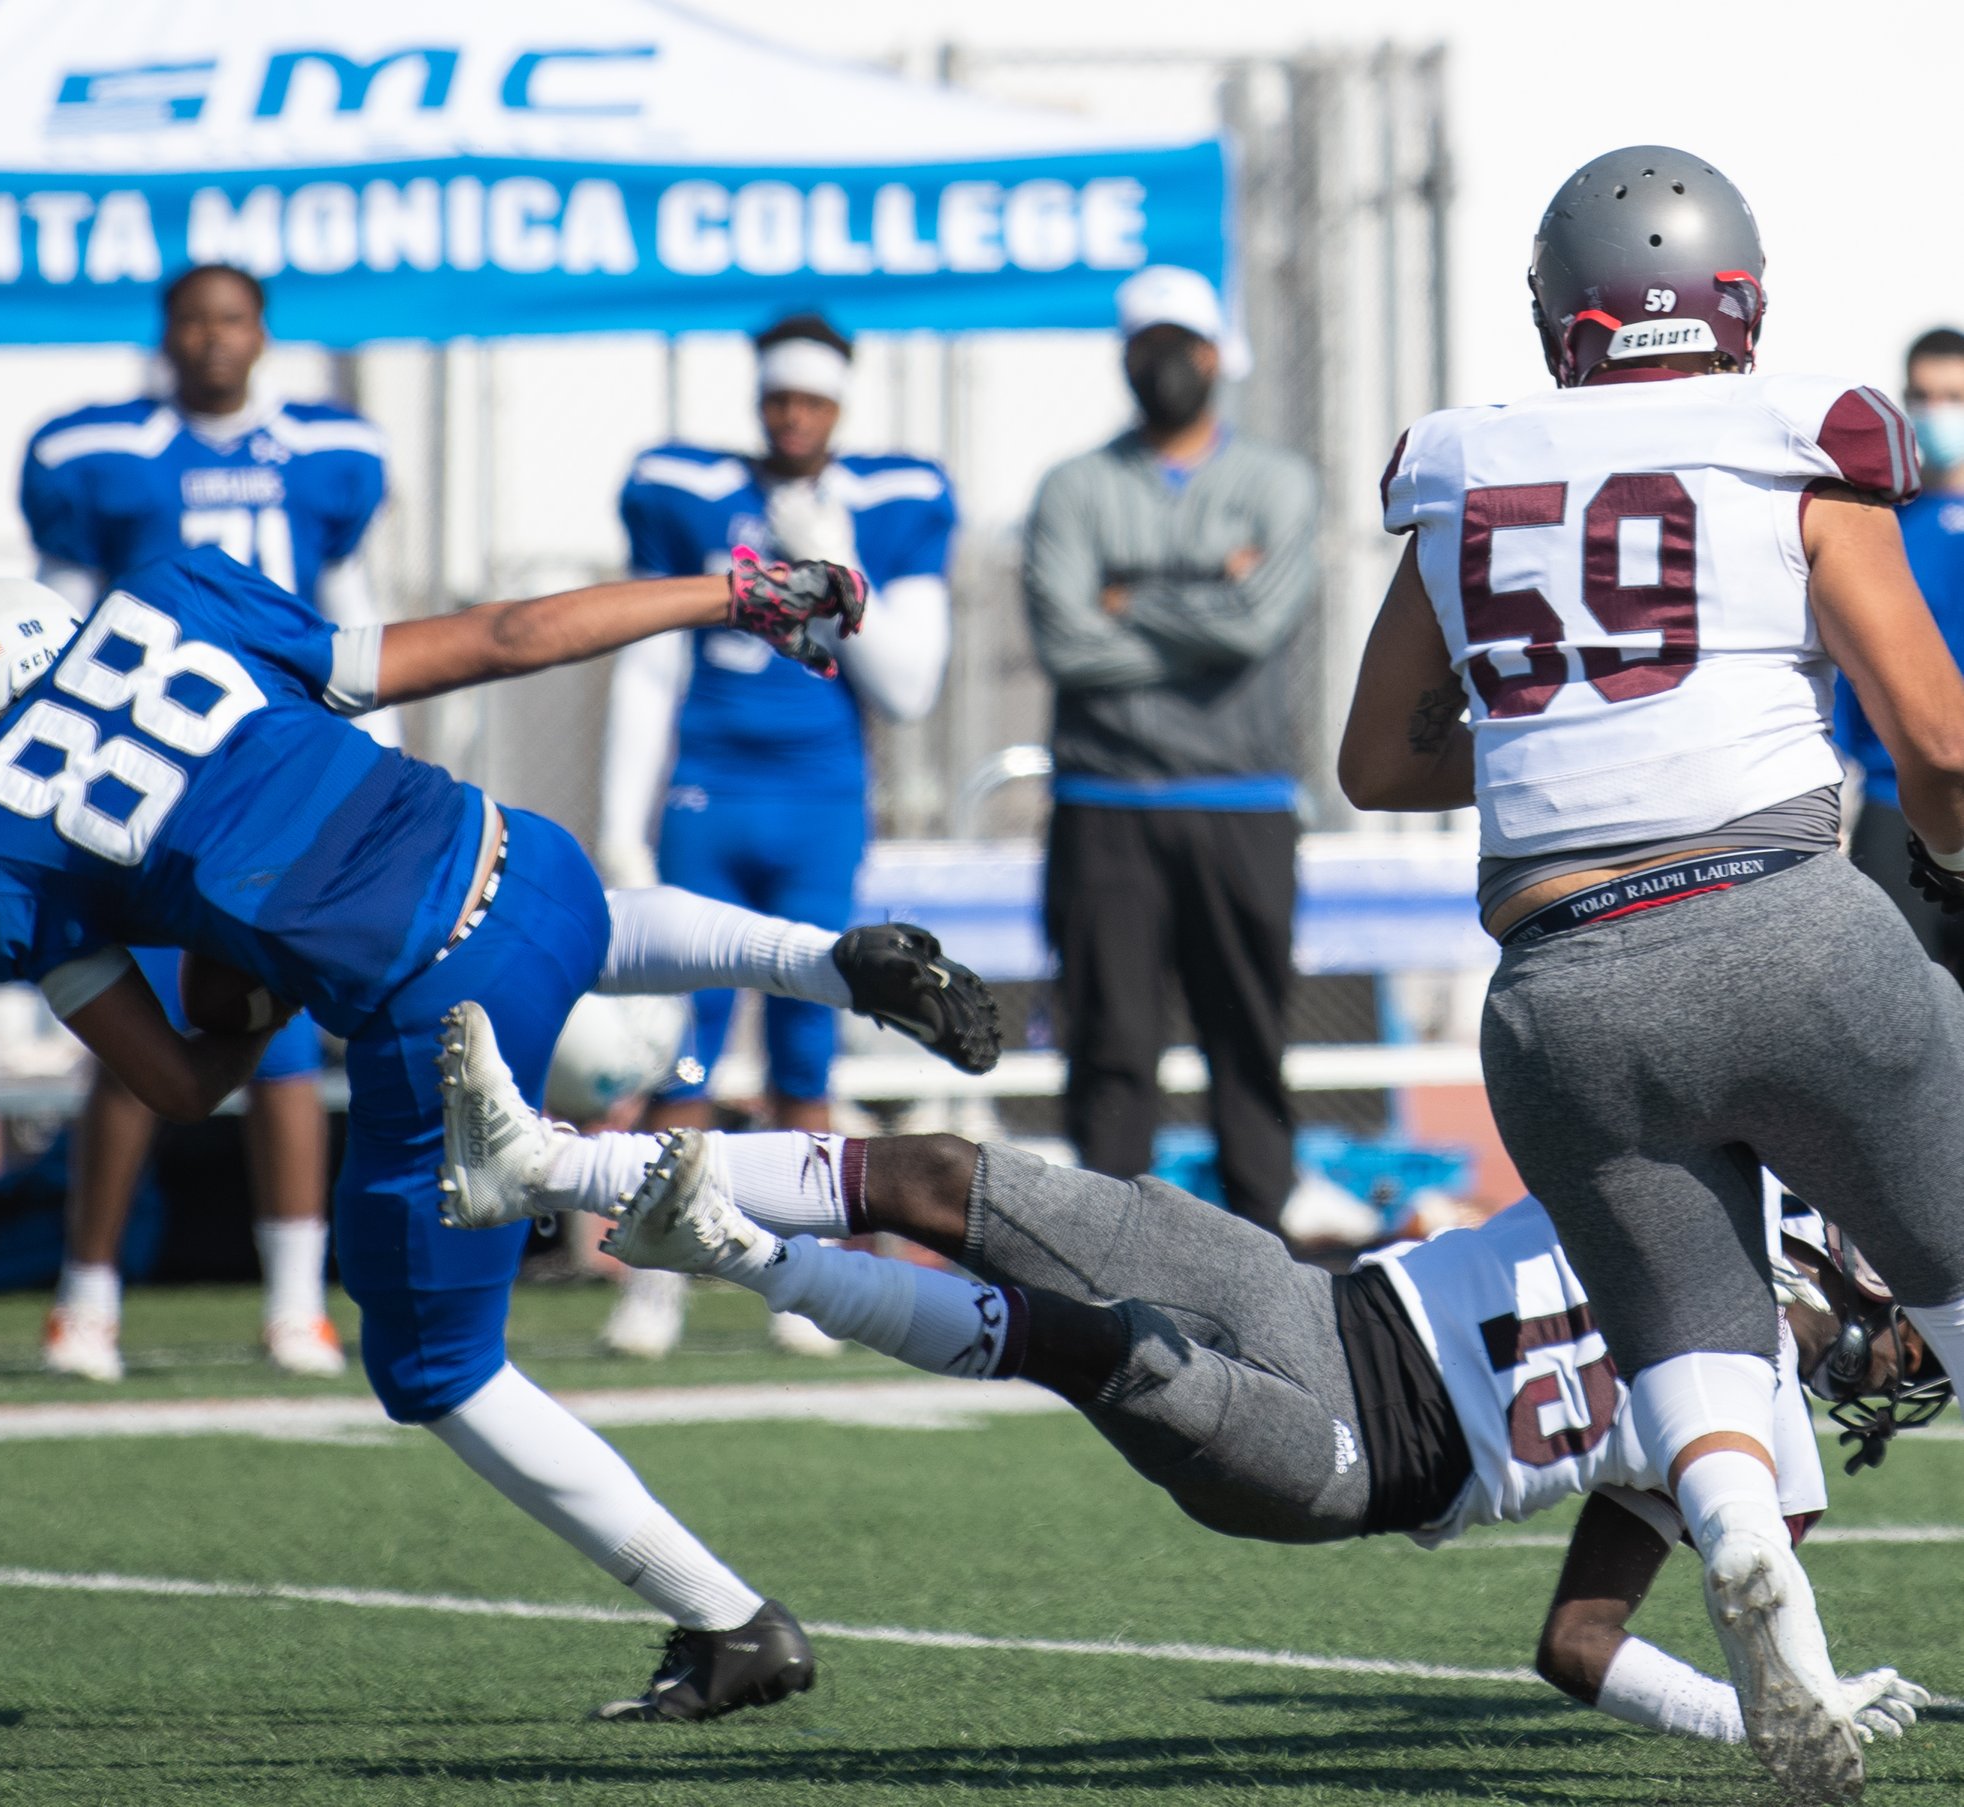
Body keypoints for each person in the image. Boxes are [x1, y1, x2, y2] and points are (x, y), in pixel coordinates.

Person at [0, 546, 998, 1720]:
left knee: (435, 1363)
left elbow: (171, 1082)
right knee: (588, 926)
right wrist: (728, 595)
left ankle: (729, 1620)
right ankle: (822, 960)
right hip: (518, 857)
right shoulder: (174, 599)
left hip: (428, 999)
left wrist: (253, 1006)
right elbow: (507, 636)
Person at [1336, 144, 1964, 1798]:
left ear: (1561, 322)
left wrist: (1581, 739)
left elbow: (1378, 762)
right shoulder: (1796, 439)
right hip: (1787, 919)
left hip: (1564, 988)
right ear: (1739, 303)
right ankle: (1770, 1556)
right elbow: (1942, 746)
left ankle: (1752, 1549)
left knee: (1692, 1318)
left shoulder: (1465, 471)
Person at [434, 1075, 1942, 1761]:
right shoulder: (1720, 1167)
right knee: (962, 1180)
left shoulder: (1765, 1463)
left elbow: (1579, 1647)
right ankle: (544, 1163)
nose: (1889, 1376)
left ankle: (743, 1256)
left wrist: (1754, 1704)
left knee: (1105, 1348)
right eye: (1909, 1345)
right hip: (1329, 1302)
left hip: (1351, 1464)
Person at [19, 263, 388, 1381]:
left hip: (282, 772)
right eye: (194, 321)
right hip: (148, 772)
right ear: (168, 335)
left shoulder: (331, 454)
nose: (213, 340)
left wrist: (378, 763)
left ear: (262, 334)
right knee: (127, 1036)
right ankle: (85, 1300)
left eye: (232, 320)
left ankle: (294, 1304)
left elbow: (357, 609)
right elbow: (51, 614)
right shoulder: (103, 454)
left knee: (278, 1038)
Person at [597, 312, 956, 1357]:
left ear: (841, 403)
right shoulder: (687, 489)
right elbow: (652, 658)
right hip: (709, 784)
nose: (791, 416)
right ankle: (655, 1271)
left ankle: (812, 1278)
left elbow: (909, 685)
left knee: (808, 1039)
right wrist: (622, 816)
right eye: (776, 398)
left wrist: (830, 556)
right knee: (683, 1045)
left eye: (809, 399)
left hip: (818, 797)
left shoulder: (889, 500)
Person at [1022, 267, 1319, 1232]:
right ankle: (1109, 1260)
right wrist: (1207, 596)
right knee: (1109, 1045)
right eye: (1142, 346)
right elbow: (1065, 642)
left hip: (1243, 800)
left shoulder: (1277, 482)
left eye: (1178, 345)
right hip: (1107, 804)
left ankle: (1267, 1260)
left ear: (1214, 356)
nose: (1163, 366)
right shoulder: (1072, 487)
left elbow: (1259, 625)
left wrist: (1130, 598)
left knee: (1249, 1042)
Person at [1833, 326, 1964, 980]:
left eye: (1953, 395)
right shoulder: (1876, 522)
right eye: (1922, 394)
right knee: (1899, 1017)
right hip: (1894, 803)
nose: (1936, 410)